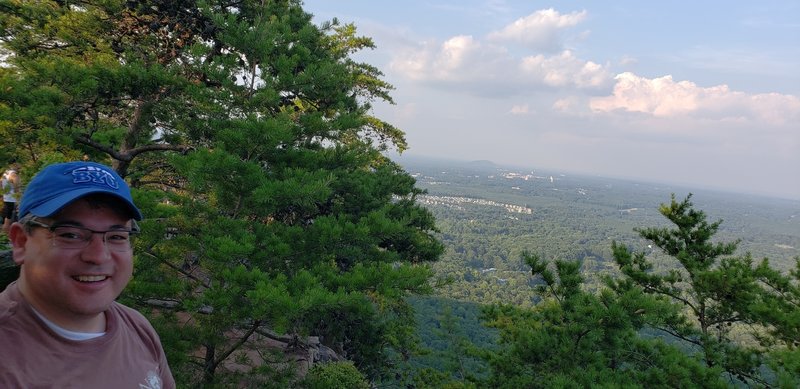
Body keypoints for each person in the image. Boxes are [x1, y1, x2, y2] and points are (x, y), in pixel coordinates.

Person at [0, 161, 175, 388]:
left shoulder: (137, 328)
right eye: (71, 235)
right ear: (21, 242)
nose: (99, 256)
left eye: (117, 236)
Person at [1, 161, 21, 235]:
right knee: (9, 219)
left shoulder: (5, 173)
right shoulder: (14, 175)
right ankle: (5, 236)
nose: (20, 166)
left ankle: (4, 236)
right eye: (19, 163)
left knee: (6, 218)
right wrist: (19, 201)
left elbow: (1, 185)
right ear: (14, 164)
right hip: (13, 200)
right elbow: (17, 189)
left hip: (6, 199)